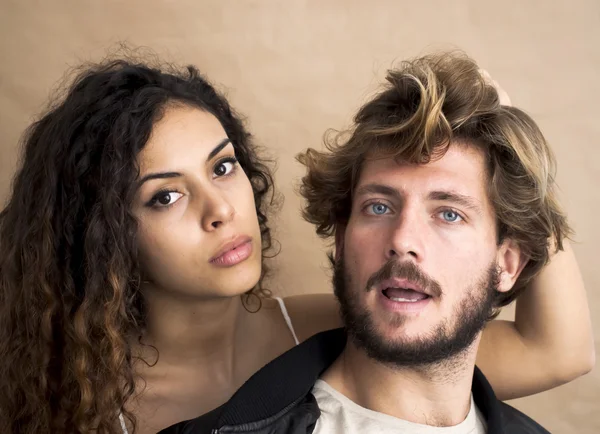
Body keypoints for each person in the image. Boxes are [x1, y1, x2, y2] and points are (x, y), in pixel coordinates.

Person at [0, 52, 593, 434]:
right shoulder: (69, 395)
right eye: (166, 196)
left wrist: (511, 152)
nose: (221, 211)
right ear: (104, 235)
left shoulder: (330, 330)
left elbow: (559, 351)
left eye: (224, 168)